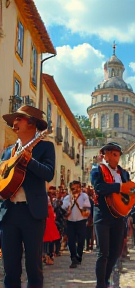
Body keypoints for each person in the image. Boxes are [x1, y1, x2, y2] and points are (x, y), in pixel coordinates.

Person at [0, 105, 55, 288]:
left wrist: (29, 160)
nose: (14, 123)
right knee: (10, 268)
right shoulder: (7, 152)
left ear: (31, 123)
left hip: (32, 214)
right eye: (14, 120)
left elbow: (48, 174)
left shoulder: (45, 147)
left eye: (19, 119)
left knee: (33, 266)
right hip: (8, 213)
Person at [90, 142, 135, 288]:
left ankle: (106, 280)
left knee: (115, 251)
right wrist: (119, 187)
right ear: (106, 155)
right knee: (103, 252)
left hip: (119, 216)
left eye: (118, 155)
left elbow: (126, 194)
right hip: (102, 215)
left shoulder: (124, 173)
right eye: (114, 154)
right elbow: (99, 188)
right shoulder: (97, 171)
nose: (116, 158)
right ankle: (100, 284)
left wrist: (133, 196)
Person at [61, 180, 91, 268]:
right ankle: (73, 258)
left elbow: (87, 205)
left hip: (81, 221)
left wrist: (79, 203)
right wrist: (69, 206)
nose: (76, 190)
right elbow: (64, 207)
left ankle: (79, 255)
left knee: (81, 240)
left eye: (77, 187)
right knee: (71, 240)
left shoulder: (84, 196)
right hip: (70, 221)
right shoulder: (68, 197)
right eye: (73, 188)